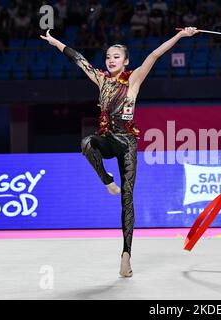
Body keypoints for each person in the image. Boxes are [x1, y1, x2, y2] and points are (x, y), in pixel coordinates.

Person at [40, 27, 199, 277]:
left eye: (116, 56)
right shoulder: (101, 79)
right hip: (106, 139)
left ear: (125, 61)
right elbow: (77, 58)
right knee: (85, 143)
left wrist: (180, 36)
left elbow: (155, 54)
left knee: (127, 199)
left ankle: (126, 255)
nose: (111, 59)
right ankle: (106, 180)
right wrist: (55, 42)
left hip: (127, 144)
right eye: (108, 56)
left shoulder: (134, 78)